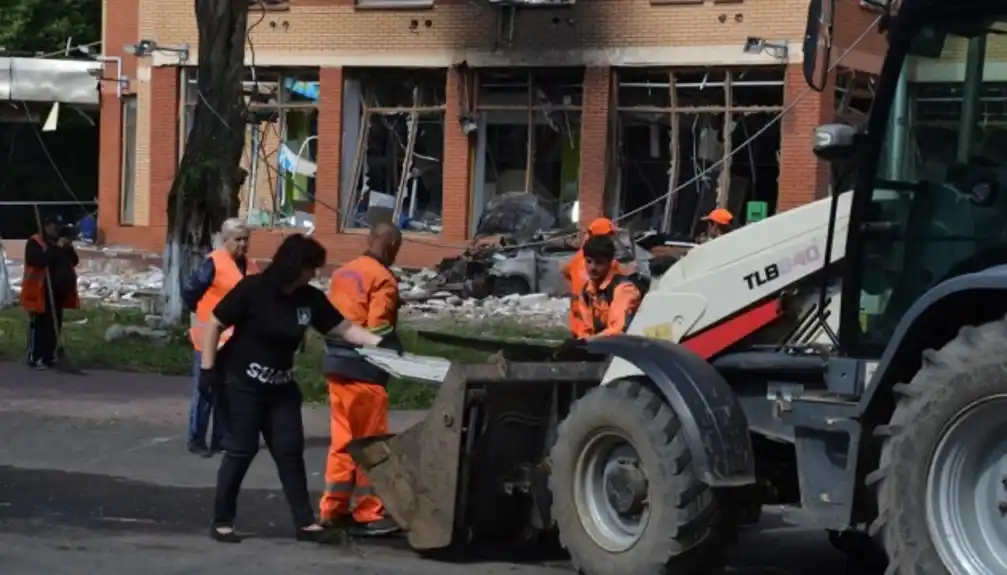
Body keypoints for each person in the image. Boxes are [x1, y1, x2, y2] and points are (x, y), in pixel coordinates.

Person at [198, 233, 398, 544]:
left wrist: (380, 342)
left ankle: (305, 524)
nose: (315, 274)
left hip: (280, 387)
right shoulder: (254, 290)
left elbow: (343, 327)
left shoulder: (309, 298)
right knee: (242, 449)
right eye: (311, 268)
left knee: (290, 451)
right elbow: (214, 323)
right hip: (241, 383)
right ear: (296, 266)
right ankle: (222, 520)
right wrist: (208, 369)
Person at [319, 222, 404, 536]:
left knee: (342, 443)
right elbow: (377, 330)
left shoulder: (343, 272)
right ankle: (370, 512)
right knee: (371, 444)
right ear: (392, 246)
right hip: (365, 373)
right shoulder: (383, 279)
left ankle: (333, 508)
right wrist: (398, 352)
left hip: (336, 367)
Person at [182, 218, 258, 457]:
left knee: (227, 390)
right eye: (238, 239)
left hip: (236, 340)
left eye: (246, 239)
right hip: (209, 337)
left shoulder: (251, 265)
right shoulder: (213, 263)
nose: (243, 244)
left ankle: (221, 438)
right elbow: (191, 292)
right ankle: (196, 439)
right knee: (205, 389)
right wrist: (202, 314)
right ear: (226, 241)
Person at [21, 212, 79, 370]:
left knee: (54, 325)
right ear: (46, 225)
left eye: (59, 227)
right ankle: (35, 356)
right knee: (39, 326)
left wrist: (68, 249)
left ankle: (49, 356)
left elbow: (74, 261)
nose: (57, 230)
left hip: (57, 290)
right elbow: (38, 260)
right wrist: (56, 248)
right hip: (39, 291)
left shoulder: (58, 243)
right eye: (55, 226)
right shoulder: (35, 242)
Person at [563, 234, 642, 347]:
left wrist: (587, 342)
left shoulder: (623, 290)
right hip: (600, 346)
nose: (592, 268)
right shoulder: (587, 291)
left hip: (624, 349)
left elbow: (618, 331)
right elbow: (586, 329)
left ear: (610, 262)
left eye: (599, 262)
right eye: (589, 261)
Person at [563, 217, 624, 339]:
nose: (592, 267)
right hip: (590, 322)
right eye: (609, 234)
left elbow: (565, 272)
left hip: (583, 323)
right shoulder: (610, 263)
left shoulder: (578, 257)